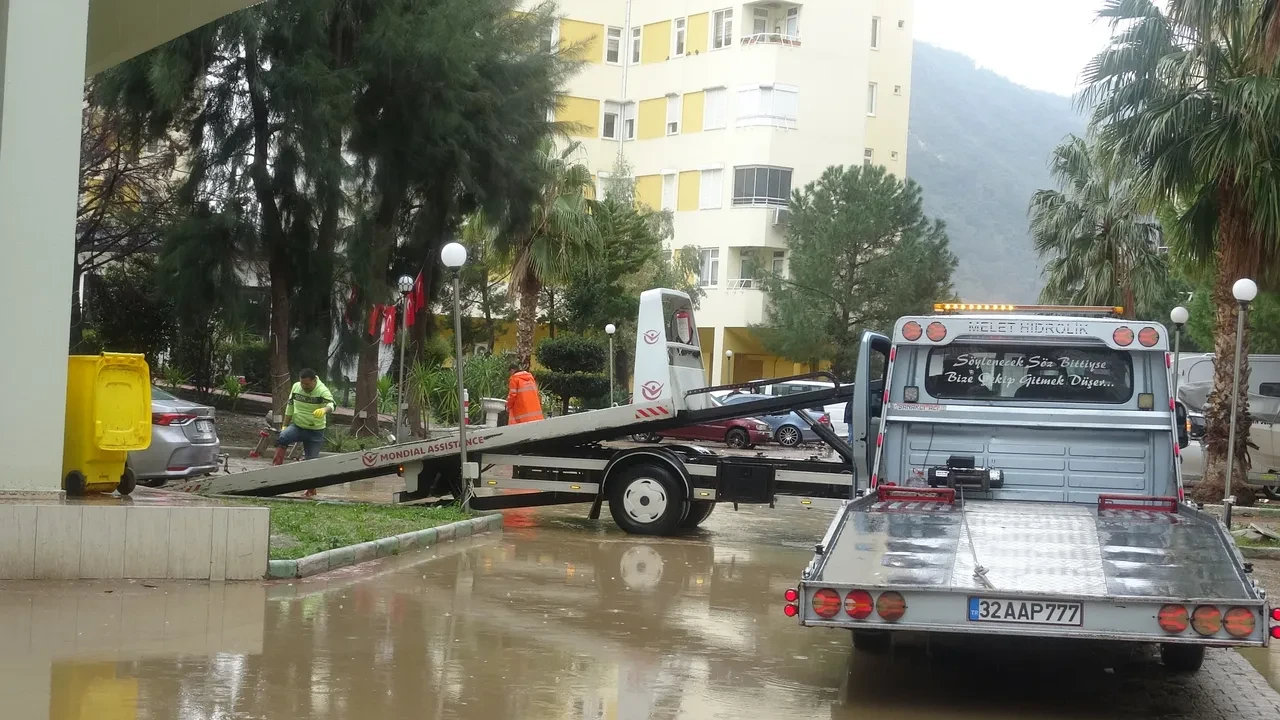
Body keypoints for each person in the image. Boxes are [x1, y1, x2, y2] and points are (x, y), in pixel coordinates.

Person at [273, 368, 335, 467]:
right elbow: (290, 407)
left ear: (314, 380)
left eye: (307, 384)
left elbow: (332, 404)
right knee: (283, 437)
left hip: (315, 431)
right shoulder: (296, 387)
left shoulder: (322, 390)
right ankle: (276, 466)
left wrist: (324, 410)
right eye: (302, 383)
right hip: (298, 427)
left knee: (311, 463)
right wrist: (285, 425)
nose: (304, 386)